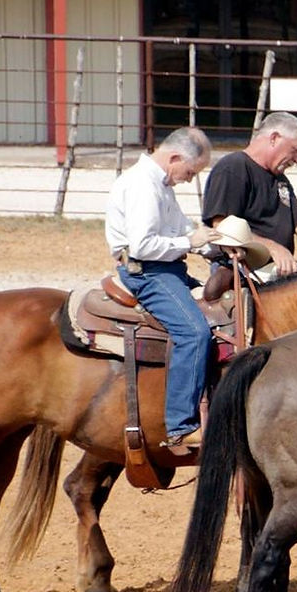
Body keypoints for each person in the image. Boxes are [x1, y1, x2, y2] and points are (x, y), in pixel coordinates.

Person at [104, 127, 217, 455]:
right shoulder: (143, 185)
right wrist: (190, 242)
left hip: (167, 269)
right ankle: (181, 426)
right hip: (147, 273)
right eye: (190, 172)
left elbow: (183, 228)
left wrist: (216, 245)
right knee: (194, 332)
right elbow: (142, 246)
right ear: (175, 158)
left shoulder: (160, 184)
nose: (189, 179)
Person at [200, 111, 297, 291]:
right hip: (243, 270)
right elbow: (222, 226)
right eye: (296, 150)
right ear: (274, 138)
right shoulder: (233, 168)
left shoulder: (279, 179)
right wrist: (272, 248)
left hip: (275, 270)